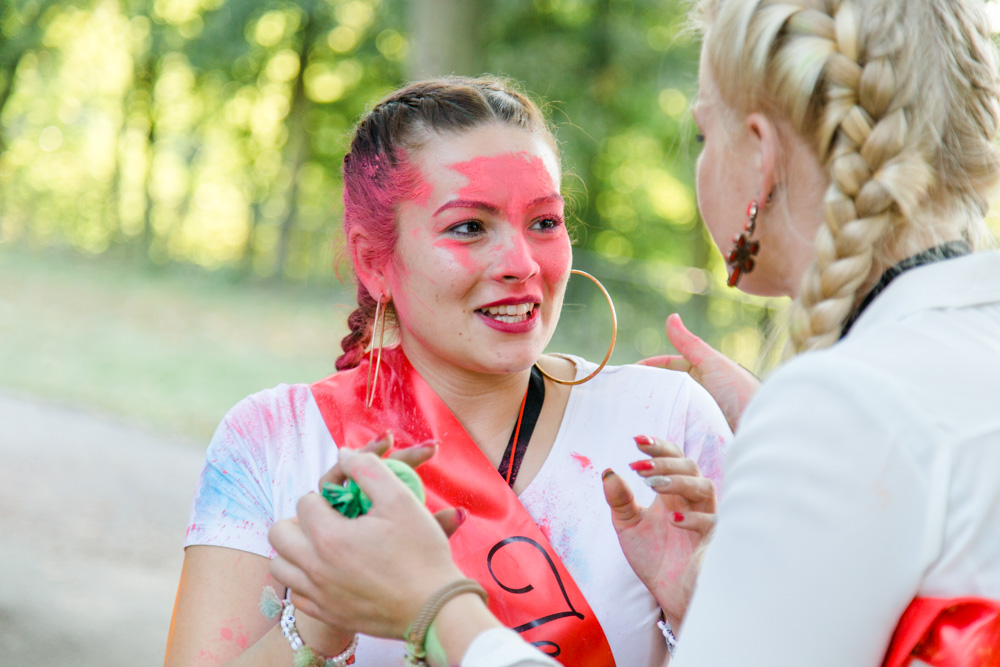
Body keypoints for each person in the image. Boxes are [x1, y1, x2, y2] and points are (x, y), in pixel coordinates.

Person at [267, 1, 1000, 665]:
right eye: (469, 226)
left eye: (704, 129)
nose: (519, 263)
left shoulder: (840, 409)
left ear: (760, 154)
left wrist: (438, 604)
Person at [165, 76, 730, 666]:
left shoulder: (664, 429)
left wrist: (693, 613)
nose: (521, 264)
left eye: (544, 222)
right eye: (469, 227)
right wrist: (318, 619)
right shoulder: (275, 441)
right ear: (374, 261)